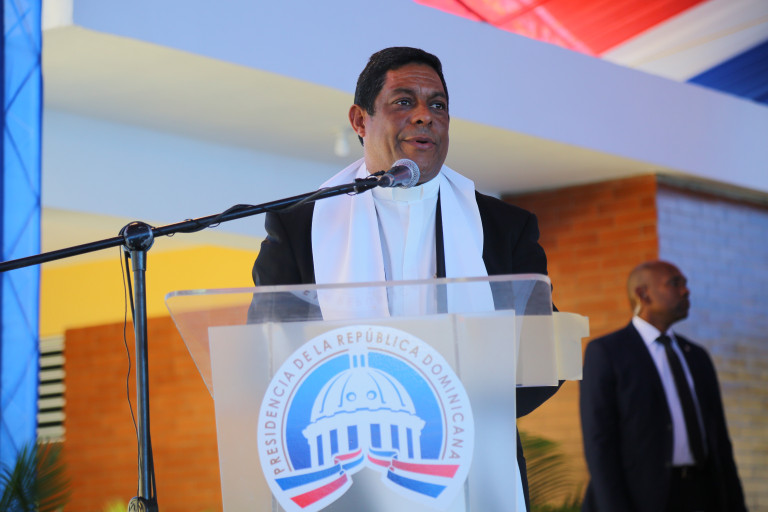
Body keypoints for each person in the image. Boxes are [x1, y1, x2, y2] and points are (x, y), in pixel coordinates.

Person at [251, 46, 560, 511]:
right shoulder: (300, 227)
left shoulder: (502, 227)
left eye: (438, 105)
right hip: (344, 474)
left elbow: (542, 356)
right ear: (359, 120)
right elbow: (268, 358)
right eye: (403, 102)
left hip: (473, 471)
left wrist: (451, 416)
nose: (424, 116)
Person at [580, 261, 747, 512]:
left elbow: (720, 440)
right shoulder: (607, 352)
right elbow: (599, 442)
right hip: (642, 498)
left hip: (702, 494)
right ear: (643, 294)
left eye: (685, 284)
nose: (685, 291)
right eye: (675, 283)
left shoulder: (697, 356)